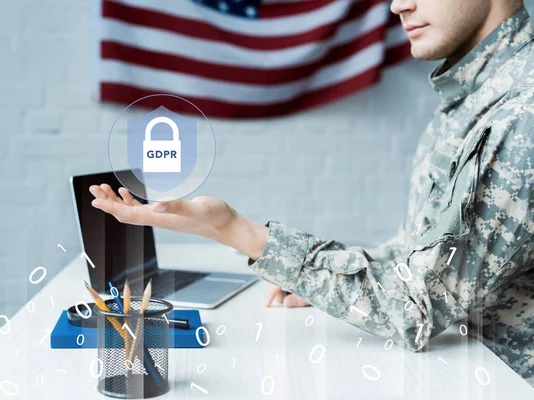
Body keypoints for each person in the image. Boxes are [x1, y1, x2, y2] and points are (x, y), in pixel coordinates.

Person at [89, 0, 534, 386]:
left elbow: (416, 308)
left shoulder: (521, 116)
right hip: (461, 372)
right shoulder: (467, 102)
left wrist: (237, 230)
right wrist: (324, 279)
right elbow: (417, 257)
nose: (398, 6)